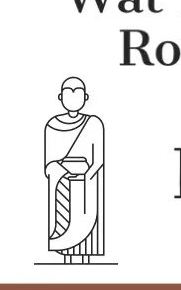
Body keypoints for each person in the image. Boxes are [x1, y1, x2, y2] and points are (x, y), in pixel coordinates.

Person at [44, 77, 105, 264]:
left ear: (85, 96)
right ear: (60, 96)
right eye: (68, 91)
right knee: (64, 232)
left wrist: (86, 177)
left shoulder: (94, 123)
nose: (73, 95)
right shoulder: (52, 125)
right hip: (62, 184)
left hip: (88, 183)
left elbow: (99, 159)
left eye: (77, 91)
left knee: (87, 236)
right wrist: (61, 172)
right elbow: (48, 163)